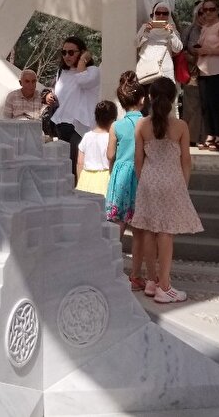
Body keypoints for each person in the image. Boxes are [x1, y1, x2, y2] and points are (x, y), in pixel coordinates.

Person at [132, 77, 202, 304]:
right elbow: (186, 160)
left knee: (150, 231)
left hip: (149, 180)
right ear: (173, 99)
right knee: (166, 233)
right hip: (172, 180)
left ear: (150, 97)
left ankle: (151, 281)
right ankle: (165, 285)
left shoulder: (141, 125)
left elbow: (138, 160)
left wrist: (145, 180)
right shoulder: (181, 127)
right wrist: (183, 184)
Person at [105, 71, 145, 290]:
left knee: (117, 224)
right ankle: (136, 274)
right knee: (139, 227)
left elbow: (110, 154)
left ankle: (109, 267)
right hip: (141, 174)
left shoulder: (116, 126)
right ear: (142, 99)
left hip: (121, 174)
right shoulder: (146, 123)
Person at [46, 36, 101, 176]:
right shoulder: (62, 72)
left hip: (79, 126)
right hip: (60, 124)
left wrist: (83, 61)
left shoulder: (93, 71)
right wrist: (49, 96)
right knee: (63, 169)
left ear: (82, 52)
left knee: (76, 168)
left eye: (71, 52)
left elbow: (83, 81)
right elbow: (61, 93)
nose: (66, 56)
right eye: (64, 52)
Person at [195, 0, 219, 151]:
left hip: (218, 70)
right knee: (206, 104)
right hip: (204, 70)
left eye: (211, 9)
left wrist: (208, 51)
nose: (208, 12)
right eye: (205, 10)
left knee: (216, 104)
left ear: (218, 10)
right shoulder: (205, 27)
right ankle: (210, 134)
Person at [135, 1, 183, 90]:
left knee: (165, 99)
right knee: (147, 99)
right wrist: (146, 32)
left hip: (165, 69)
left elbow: (178, 48)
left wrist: (171, 33)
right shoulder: (145, 27)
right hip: (147, 69)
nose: (161, 16)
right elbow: (136, 44)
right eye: (158, 13)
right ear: (154, 14)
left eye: (165, 13)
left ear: (168, 15)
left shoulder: (172, 29)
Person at [76, 100, 116, 195]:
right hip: (105, 179)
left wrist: (79, 181)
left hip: (86, 178)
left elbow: (80, 163)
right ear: (113, 120)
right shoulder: (111, 138)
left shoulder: (86, 136)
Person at [180, 1, 206, 146]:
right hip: (192, 73)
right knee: (191, 105)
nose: (203, 15)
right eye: (200, 12)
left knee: (207, 105)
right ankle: (190, 138)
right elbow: (181, 50)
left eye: (207, 11)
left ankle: (205, 137)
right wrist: (191, 58)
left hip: (211, 72)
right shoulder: (189, 30)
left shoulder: (217, 29)